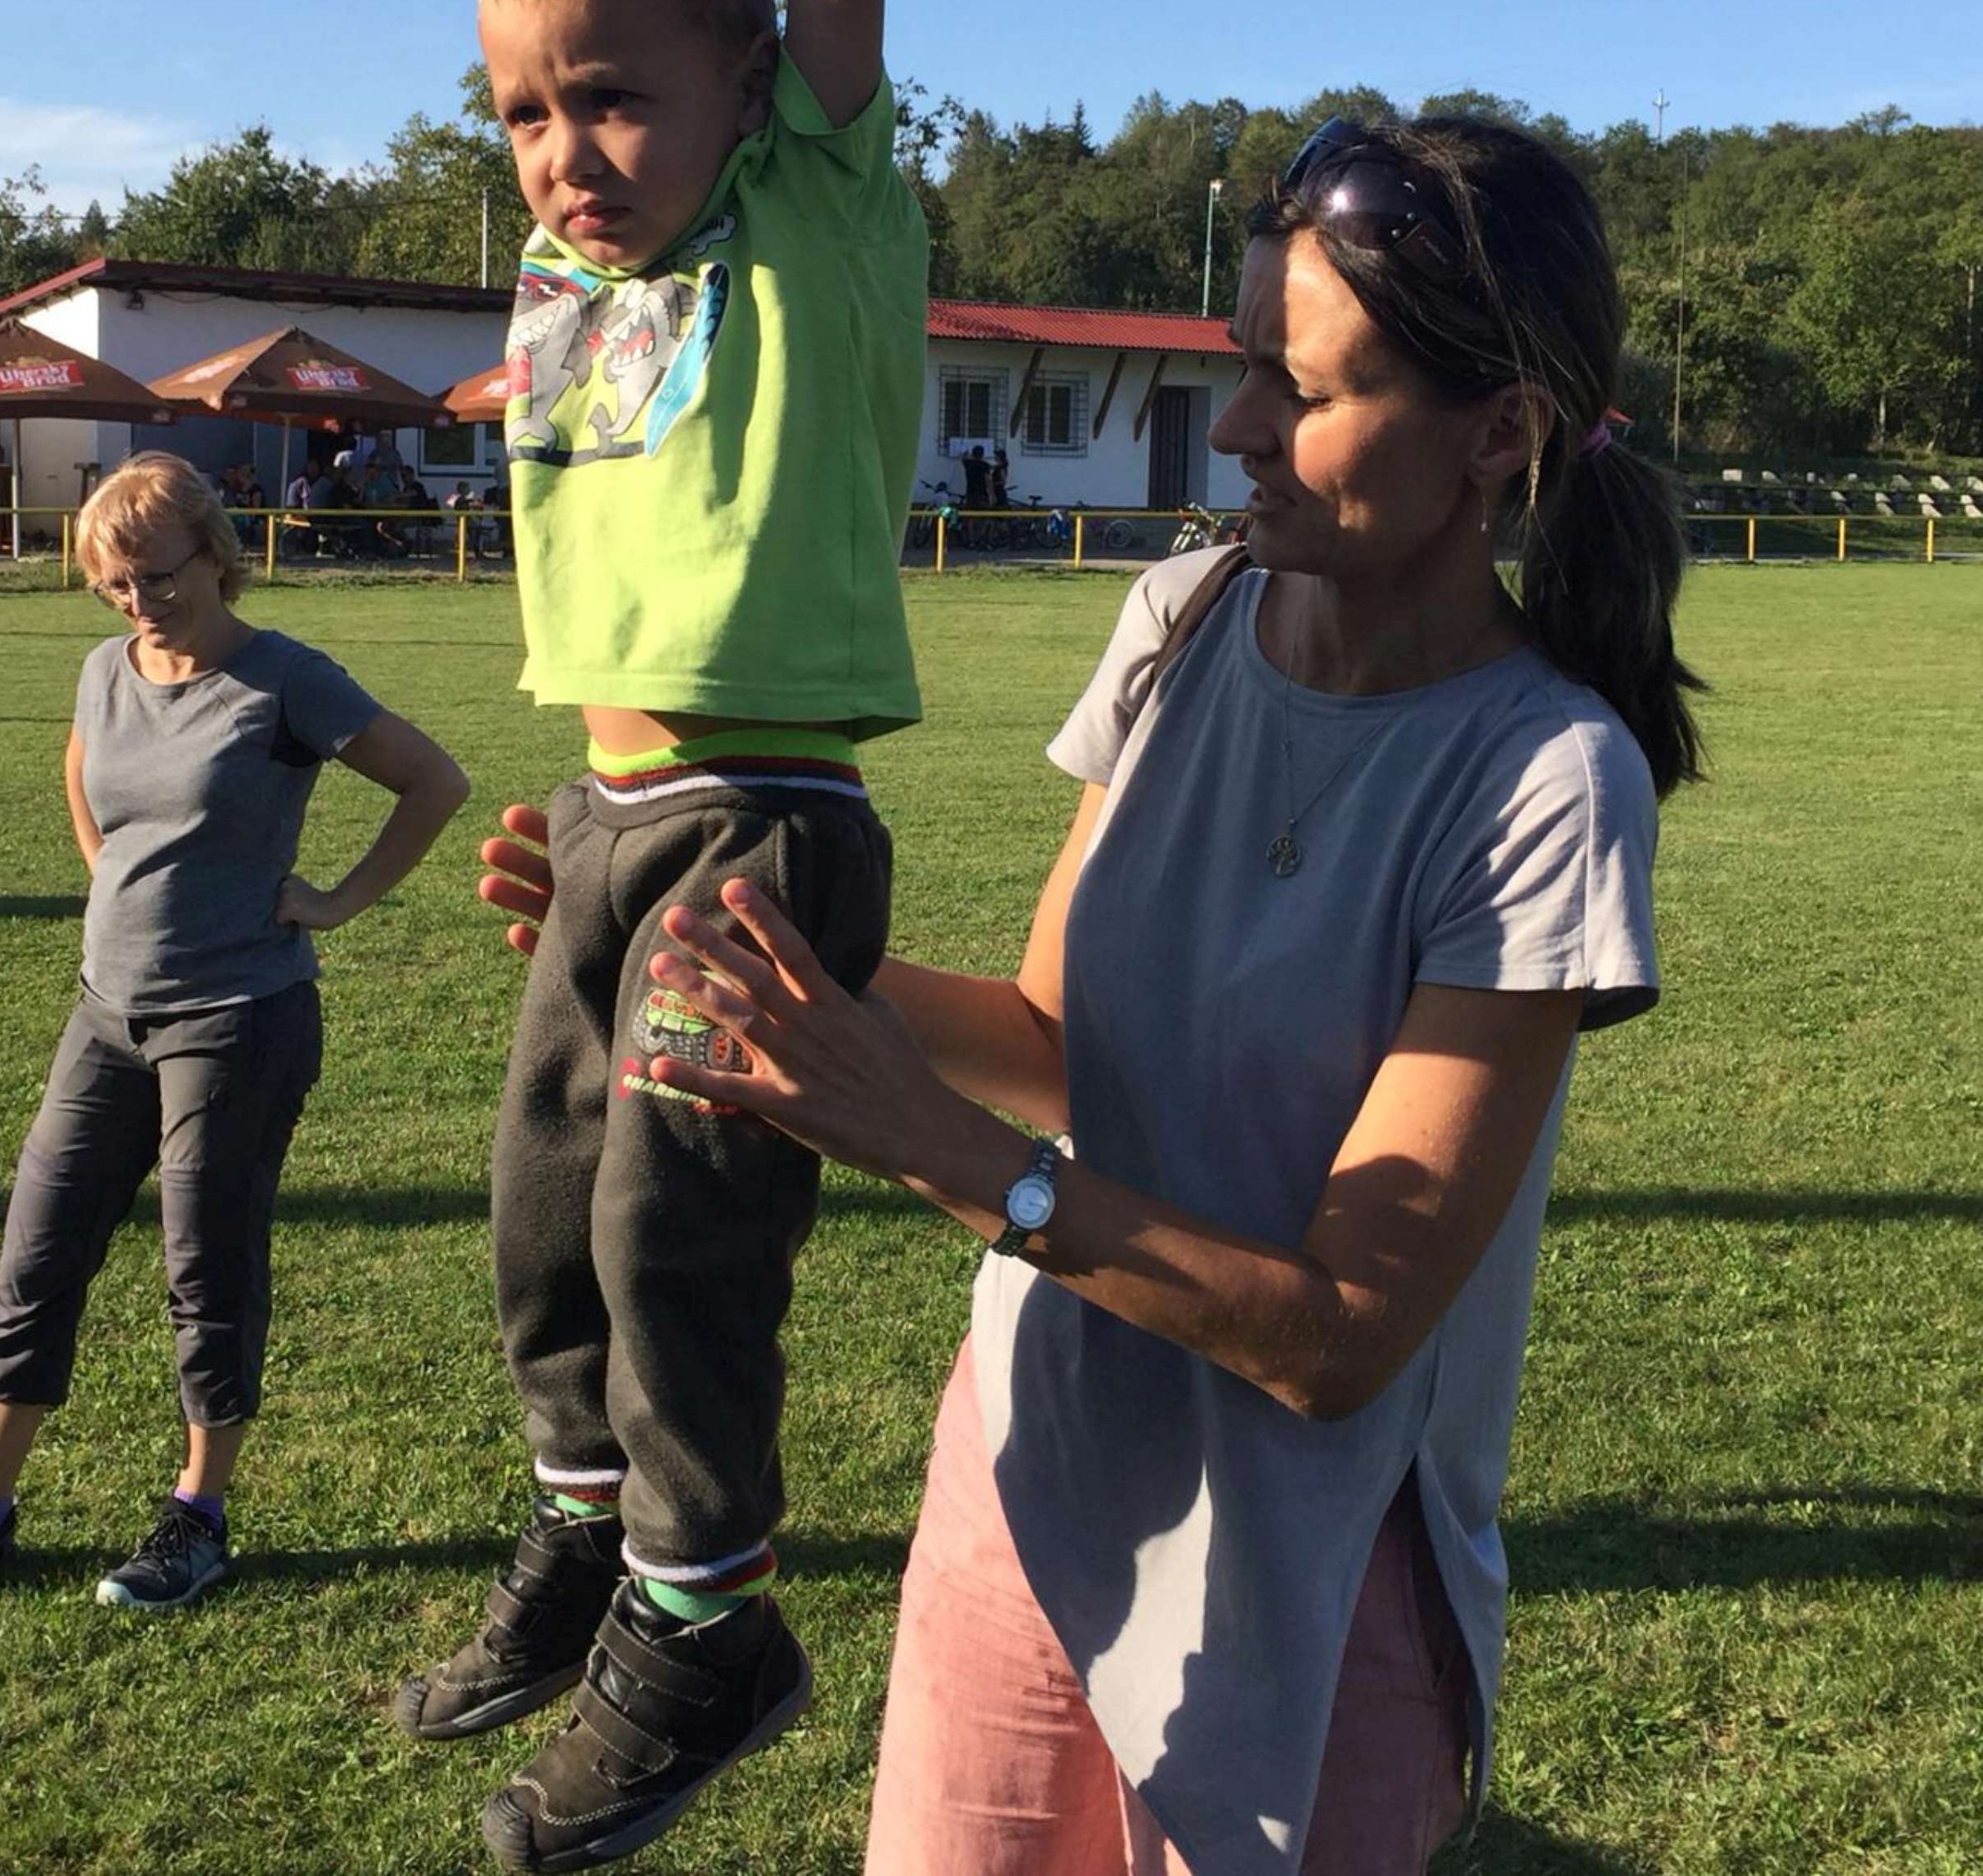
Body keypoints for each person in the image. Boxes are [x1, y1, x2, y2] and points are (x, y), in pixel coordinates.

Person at [483, 115, 1702, 1874]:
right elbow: (1056, 1042)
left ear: (1499, 434)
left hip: (1309, 1576)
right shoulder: (1182, 620)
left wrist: (933, 1145)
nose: (1238, 426)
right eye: (1243, 363)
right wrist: (714, 953)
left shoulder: (1546, 780)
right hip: (1024, 1483)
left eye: (1303, 388)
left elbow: (1340, 1336)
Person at [392, 0, 929, 1871]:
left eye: (609, 101)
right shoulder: (574, 269)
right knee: (540, 1207)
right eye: (525, 109)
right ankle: (592, 1538)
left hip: (758, 815)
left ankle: (709, 1621)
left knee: (669, 1236)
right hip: (604, 810)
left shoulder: (796, 199)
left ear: (745, 88)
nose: (564, 145)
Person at [0, 452, 468, 1610]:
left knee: (205, 1266)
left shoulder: (285, 679)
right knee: (37, 1255)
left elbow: (434, 781)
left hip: (239, 1017)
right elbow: (81, 771)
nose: (140, 603)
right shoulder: (104, 669)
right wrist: (111, 876)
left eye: (158, 577)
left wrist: (336, 900)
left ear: (216, 555)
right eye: (114, 585)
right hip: (106, 1014)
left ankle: (198, 1516)